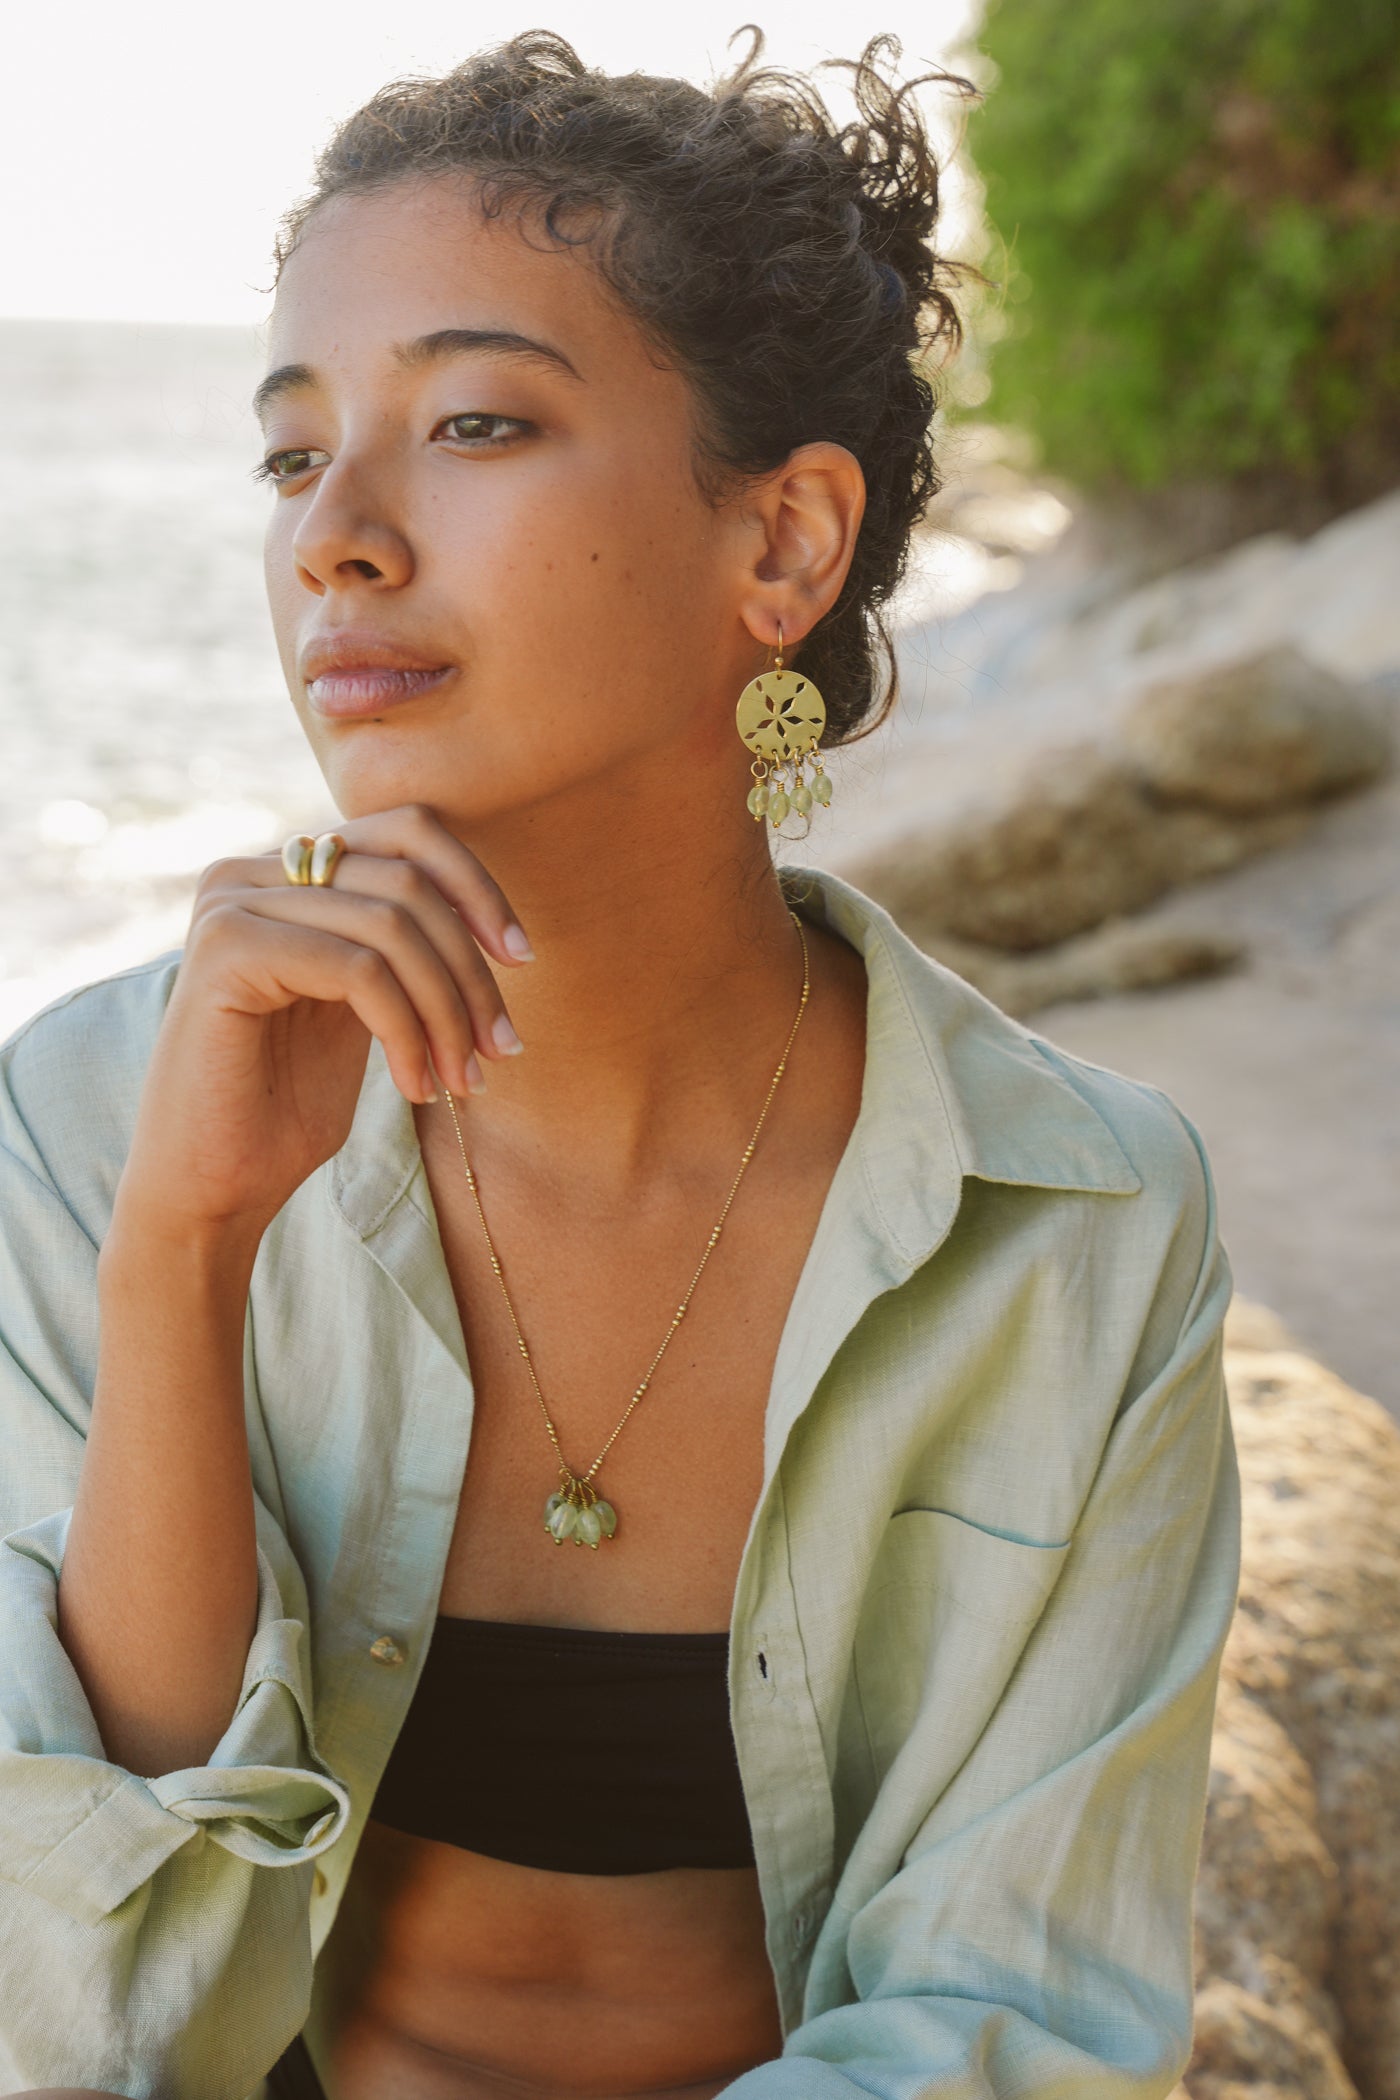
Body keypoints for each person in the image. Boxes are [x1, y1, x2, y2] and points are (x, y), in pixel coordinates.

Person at [0, 27, 1240, 2100]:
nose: (336, 541)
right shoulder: (86, 1125)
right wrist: (184, 1254)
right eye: (293, 453)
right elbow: (72, 1998)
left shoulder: (1082, 1227)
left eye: (475, 420)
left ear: (781, 548)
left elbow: (1014, 2022)